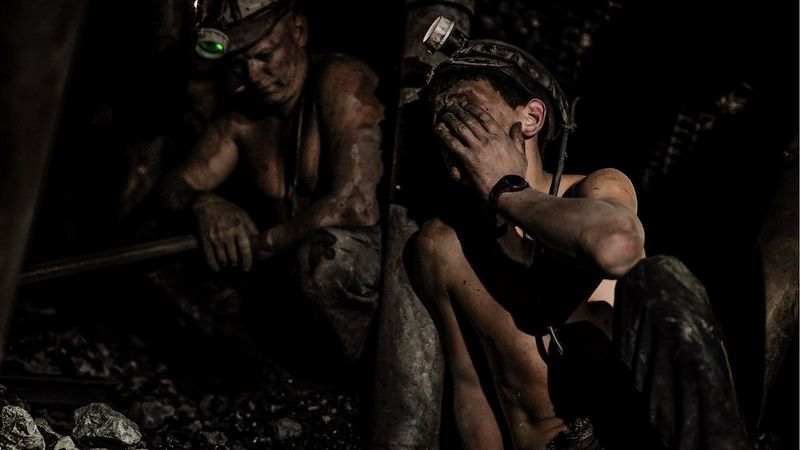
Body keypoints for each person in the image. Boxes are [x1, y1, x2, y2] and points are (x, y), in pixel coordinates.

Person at [410, 27, 752, 449]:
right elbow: (473, 394)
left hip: (642, 438)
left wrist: (506, 189)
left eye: (469, 111)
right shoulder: (441, 246)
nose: (453, 128)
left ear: (531, 118)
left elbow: (616, 247)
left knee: (661, 280)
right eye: (443, 117)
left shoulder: (595, 188)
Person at [157, 0, 384, 363]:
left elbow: (356, 204)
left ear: (299, 31)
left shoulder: (339, 79)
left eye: (264, 56)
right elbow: (173, 187)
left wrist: (265, 244)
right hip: (293, 276)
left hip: (368, 268)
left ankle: (360, 376)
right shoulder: (244, 118)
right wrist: (205, 204)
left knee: (324, 259)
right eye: (238, 64)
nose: (253, 76)